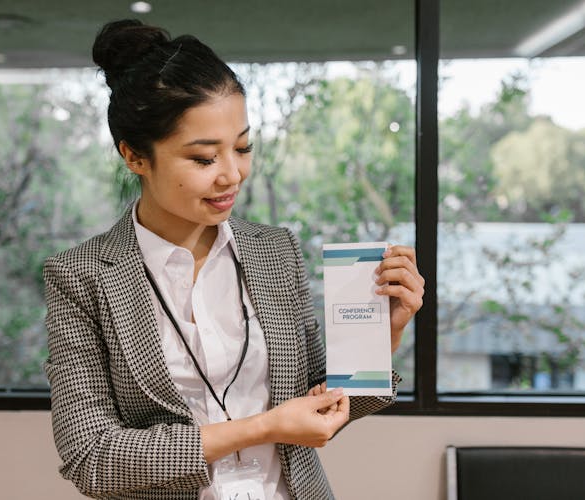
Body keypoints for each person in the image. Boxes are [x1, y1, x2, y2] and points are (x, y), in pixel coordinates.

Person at [44, 19, 425, 500]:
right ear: (135, 156)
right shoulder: (81, 277)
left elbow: (318, 402)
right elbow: (92, 459)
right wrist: (261, 427)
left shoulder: (274, 252)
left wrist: (382, 333)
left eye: (243, 148)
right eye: (204, 159)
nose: (232, 175)